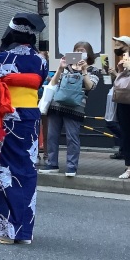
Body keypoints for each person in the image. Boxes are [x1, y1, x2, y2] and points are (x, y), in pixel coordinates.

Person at [0, 13, 48, 244]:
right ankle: (23, 232)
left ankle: (4, 231)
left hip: (6, 119)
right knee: (26, 172)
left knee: (2, 170)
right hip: (30, 119)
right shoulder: (41, 61)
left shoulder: (1, 59)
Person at [40, 41, 99, 177]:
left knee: (72, 138)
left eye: (82, 51)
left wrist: (84, 71)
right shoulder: (67, 67)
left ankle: (71, 167)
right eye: (77, 50)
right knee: (52, 135)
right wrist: (60, 68)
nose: (79, 53)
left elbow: (90, 87)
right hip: (57, 104)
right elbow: (53, 83)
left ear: (88, 53)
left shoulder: (93, 70)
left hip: (75, 107)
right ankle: (52, 164)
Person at [112, 36, 130, 179]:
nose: (116, 47)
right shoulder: (123, 60)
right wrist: (119, 71)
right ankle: (129, 167)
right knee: (126, 134)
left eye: (119, 44)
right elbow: (122, 83)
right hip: (124, 101)